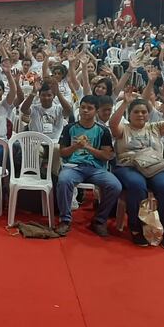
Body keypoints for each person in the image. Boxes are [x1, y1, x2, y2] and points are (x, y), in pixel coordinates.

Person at [109, 92, 164, 248]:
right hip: (128, 166)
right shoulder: (123, 129)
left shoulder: (156, 127)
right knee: (137, 185)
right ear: (129, 114)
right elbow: (112, 123)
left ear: (148, 114)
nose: (140, 114)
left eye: (144, 112)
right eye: (136, 111)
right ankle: (136, 229)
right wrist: (124, 102)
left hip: (155, 166)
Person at [56, 95, 122, 237]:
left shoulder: (103, 131)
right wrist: (75, 146)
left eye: (89, 108)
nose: (85, 111)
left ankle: (99, 220)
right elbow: (62, 153)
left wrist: (88, 147)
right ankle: (65, 220)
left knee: (115, 185)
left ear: (96, 111)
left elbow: (107, 156)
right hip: (73, 167)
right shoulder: (69, 128)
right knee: (63, 180)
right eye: (82, 107)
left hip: (96, 169)